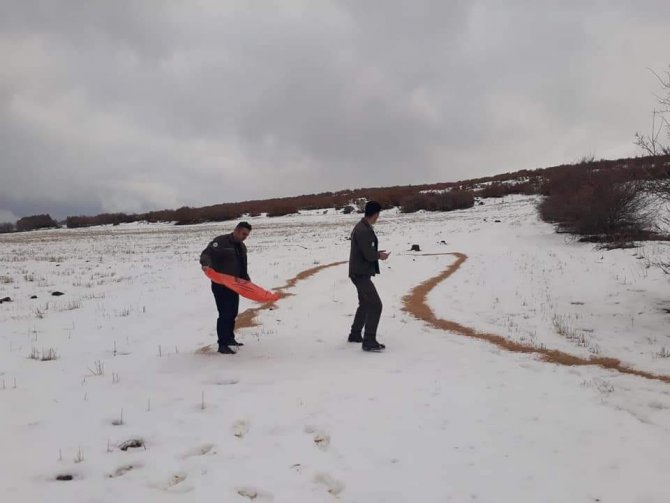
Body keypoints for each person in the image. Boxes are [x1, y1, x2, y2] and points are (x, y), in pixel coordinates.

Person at [200, 221, 252, 354]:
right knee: (225, 314)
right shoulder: (220, 242)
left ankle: (230, 339)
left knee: (233, 313)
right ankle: (222, 344)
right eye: (243, 234)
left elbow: (242, 266)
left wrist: (246, 280)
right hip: (221, 285)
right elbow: (206, 254)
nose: (245, 237)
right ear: (236, 230)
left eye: (247, 235)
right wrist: (206, 264)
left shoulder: (242, 247)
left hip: (235, 285)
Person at [347, 201, 390, 351]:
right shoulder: (363, 230)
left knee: (365, 303)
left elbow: (366, 251)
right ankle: (369, 340)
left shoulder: (363, 226)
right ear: (376, 214)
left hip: (360, 272)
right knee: (375, 305)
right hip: (360, 274)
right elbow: (369, 254)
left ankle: (355, 334)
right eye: (379, 214)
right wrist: (380, 255)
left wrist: (376, 254)